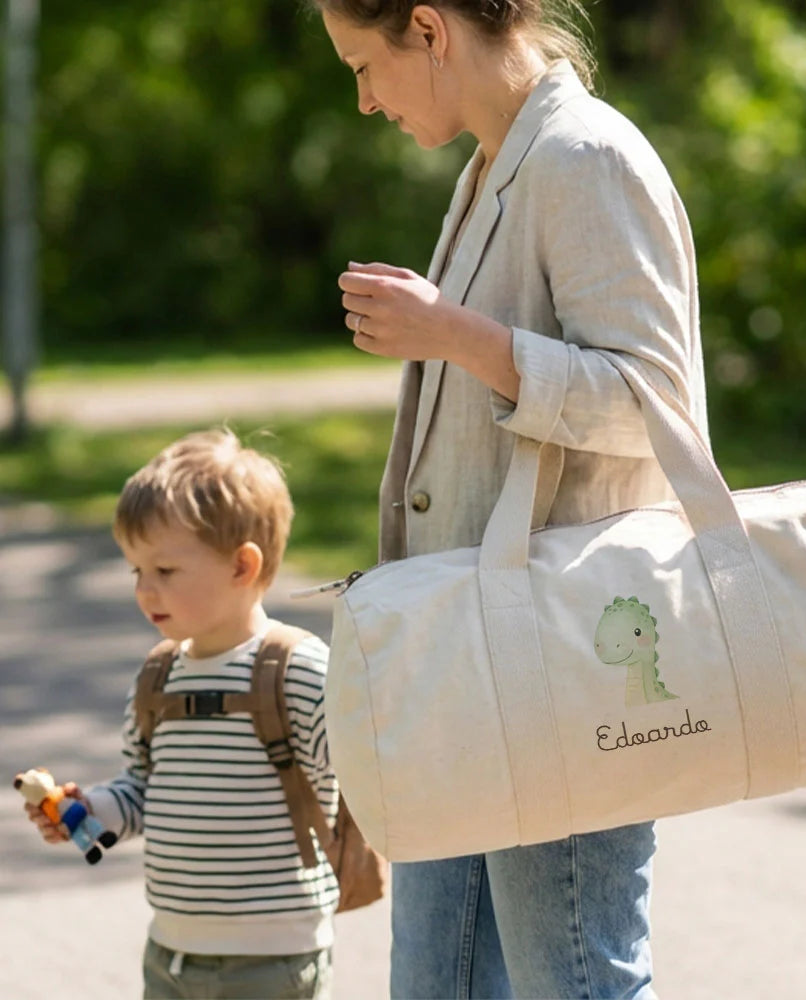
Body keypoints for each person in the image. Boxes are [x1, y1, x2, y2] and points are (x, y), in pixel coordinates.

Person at [316, 1, 709, 996]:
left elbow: (650, 404)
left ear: (428, 27)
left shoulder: (585, 157)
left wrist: (453, 335)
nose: (361, 100)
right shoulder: (498, 158)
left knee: (572, 979)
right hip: (471, 658)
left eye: (365, 64)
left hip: (561, 661)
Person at [21, 429, 338, 1000]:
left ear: (243, 566)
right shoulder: (158, 677)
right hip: (171, 953)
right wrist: (88, 810)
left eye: (165, 571)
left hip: (274, 956)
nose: (145, 591)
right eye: (135, 571)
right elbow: (144, 787)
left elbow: (364, 777)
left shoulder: (297, 669)